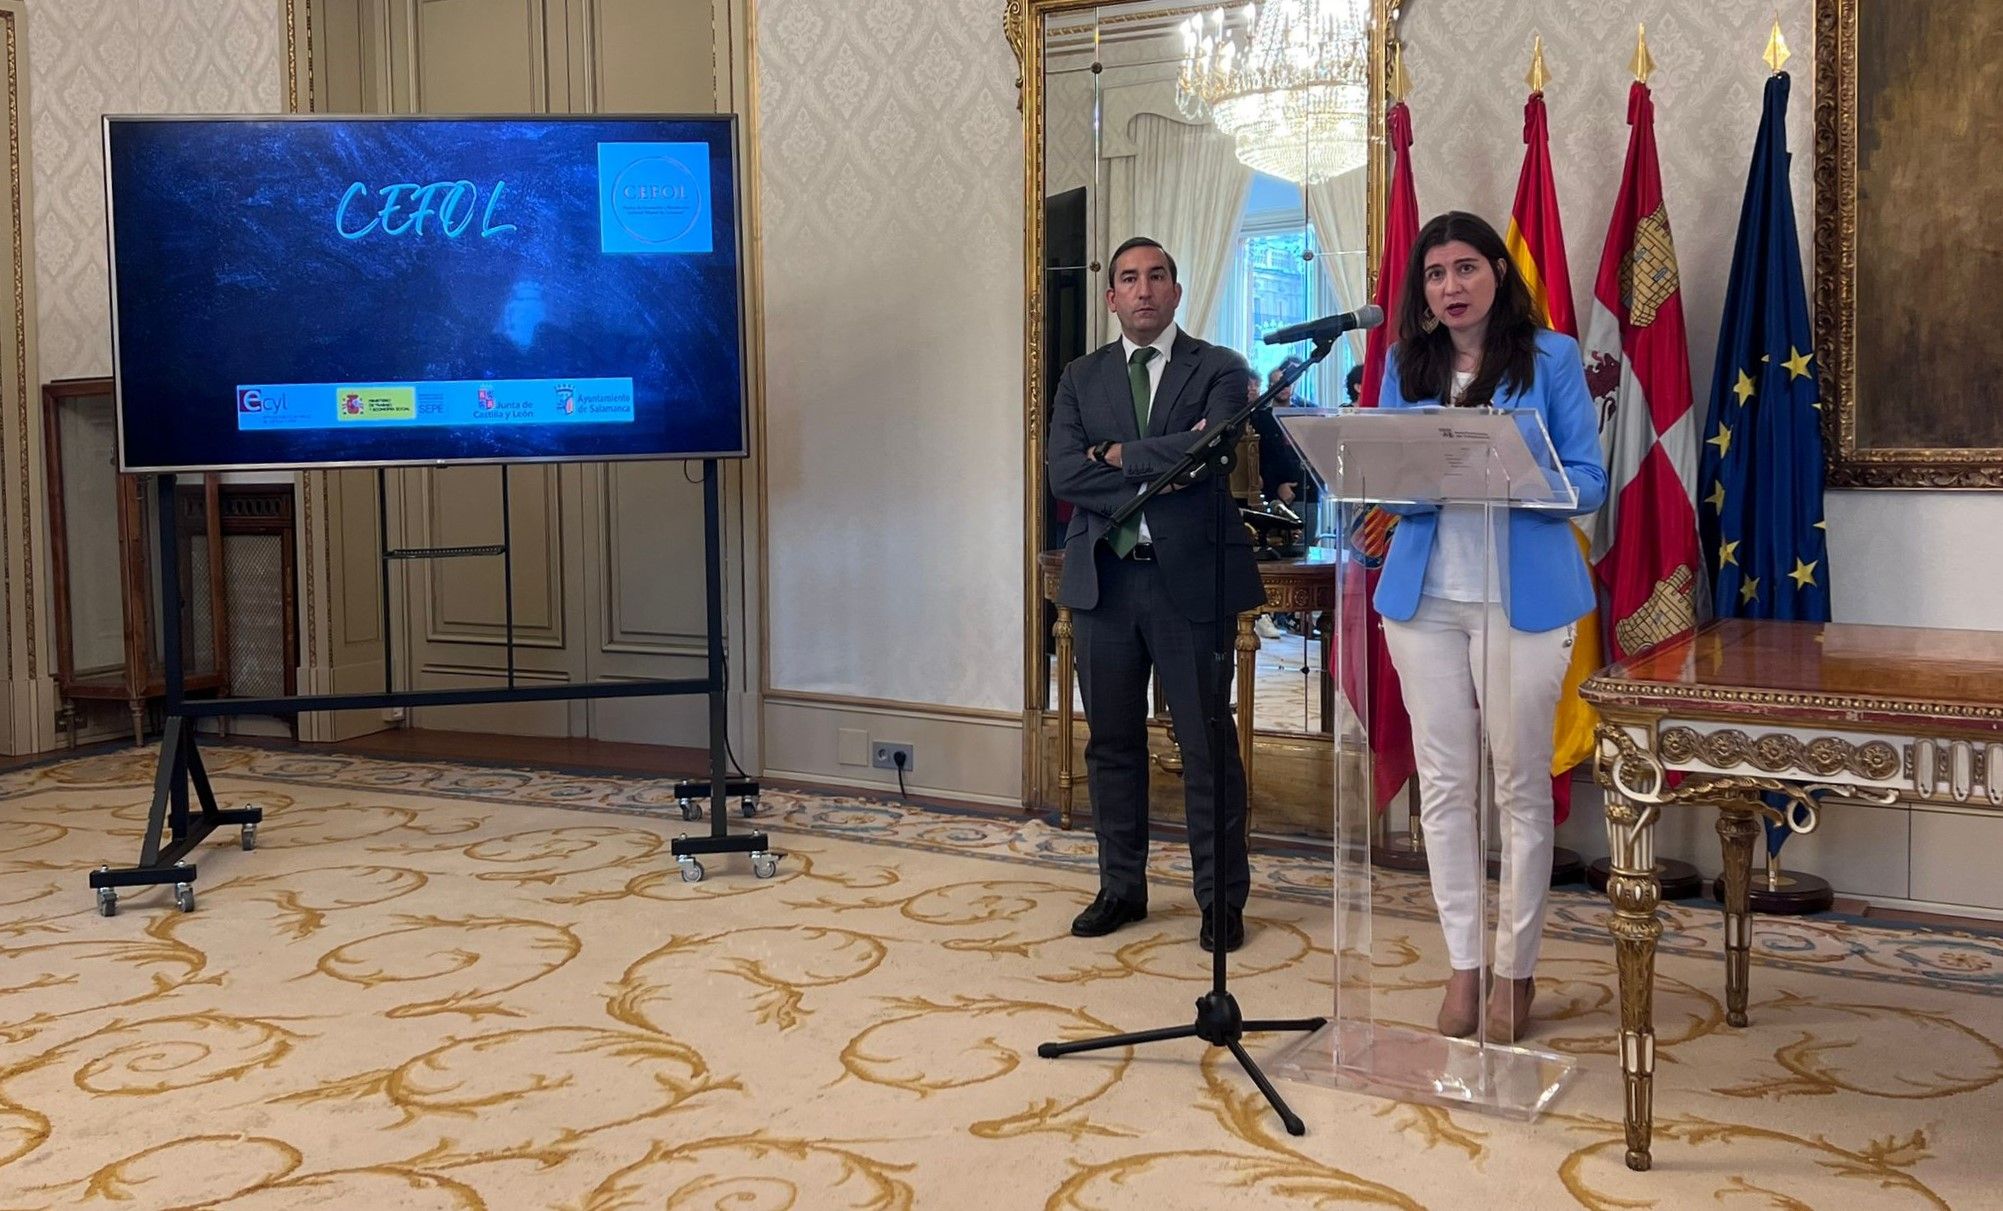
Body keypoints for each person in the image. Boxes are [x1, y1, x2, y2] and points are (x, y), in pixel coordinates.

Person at [1372, 211, 1607, 1041]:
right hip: (1424, 602)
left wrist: (1511, 474)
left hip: (1524, 599)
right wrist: (1411, 478)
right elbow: (1391, 485)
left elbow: (1588, 480)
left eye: (1465, 268)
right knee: (1443, 786)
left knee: (1516, 785)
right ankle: (1462, 965)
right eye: (1434, 274)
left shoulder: (1550, 358)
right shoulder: (1407, 363)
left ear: (1497, 274)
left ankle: (1516, 969)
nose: (1450, 286)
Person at [1046, 236, 1265, 953]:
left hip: (1189, 582)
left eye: (1157, 276)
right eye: (1128, 279)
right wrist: (1161, 459)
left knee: (1205, 745)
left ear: (1176, 289)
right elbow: (1062, 476)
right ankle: (1121, 887)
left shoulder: (1221, 368)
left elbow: (1211, 457)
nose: (1143, 290)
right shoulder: (1081, 377)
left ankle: (1219, 900)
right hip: (1104, 581)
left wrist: (1112, 454)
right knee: (1110, 744)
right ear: (1110, 297)